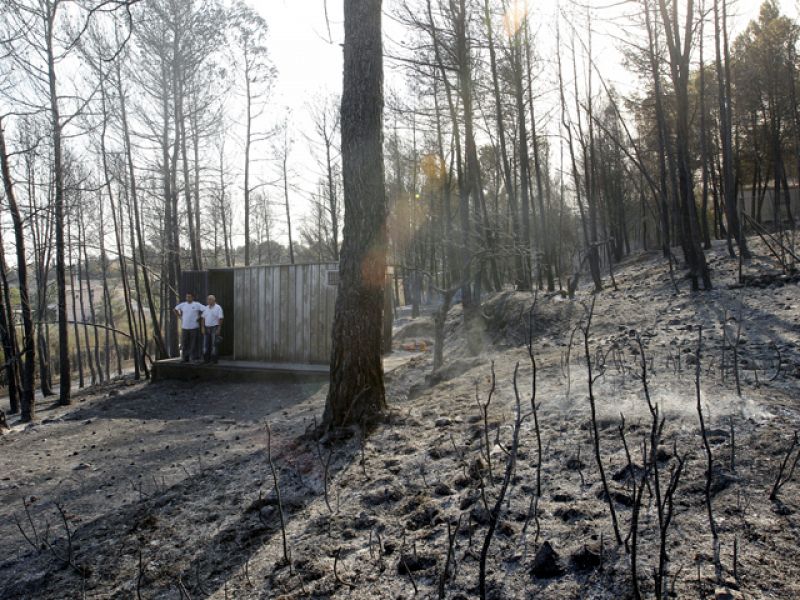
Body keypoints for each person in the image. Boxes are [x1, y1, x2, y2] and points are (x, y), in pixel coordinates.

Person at [174, 292, 204, 362]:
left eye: (189, 297)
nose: (188, 298)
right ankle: (185, 358)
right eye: (187, 297)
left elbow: (205, 310)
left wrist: (199, 317)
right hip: (185, 327)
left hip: (194, 327)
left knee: (194, 343)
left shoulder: (197, 304)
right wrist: (179, 316)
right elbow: (175, 309)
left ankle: (194, 357)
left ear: (193, 297)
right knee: (185, 343)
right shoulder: (183, 304)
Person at [201, 294, 224, 364]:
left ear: (214, 300)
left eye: (210, 299)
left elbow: (221, 318)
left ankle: (214, 361)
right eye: (208, 299)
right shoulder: (206, 308)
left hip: (215, 327)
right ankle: (206, 360)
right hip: (207, 327)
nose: (208, 301)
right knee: (205, 345)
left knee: (214, 345)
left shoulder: (218, 307)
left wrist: (219, 328)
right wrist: (202, 327)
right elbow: (202, 318)